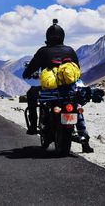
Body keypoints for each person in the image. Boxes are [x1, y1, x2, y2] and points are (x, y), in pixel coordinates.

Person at [22, 19, 94, 153]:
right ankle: (85, 143)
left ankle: (33, 126)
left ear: (47, 36)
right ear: (63, 36)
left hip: (50, 91)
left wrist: (27, 73)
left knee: (31, 93)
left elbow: (31, 68)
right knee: (76, 107)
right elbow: (77, 69)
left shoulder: (43, 51)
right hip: (69, 90)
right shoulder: (70, 50)